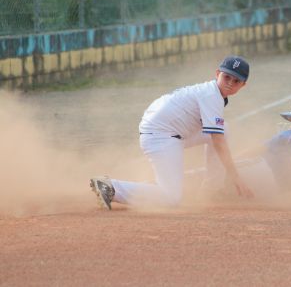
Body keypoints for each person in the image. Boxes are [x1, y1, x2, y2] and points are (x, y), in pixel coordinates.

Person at [90, 56, 254, 210]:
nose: (230, 83)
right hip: (160, 137)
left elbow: (217, 135)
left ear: (243, 85)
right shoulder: (211, 95)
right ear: (217, 74)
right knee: (170, 198)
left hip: (167, 130)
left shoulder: (210, 92)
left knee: (223, 129)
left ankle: (211, 191)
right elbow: (218, 142)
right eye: (227, 77)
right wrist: (236, 178)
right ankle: (110, 188)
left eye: (236, 80)